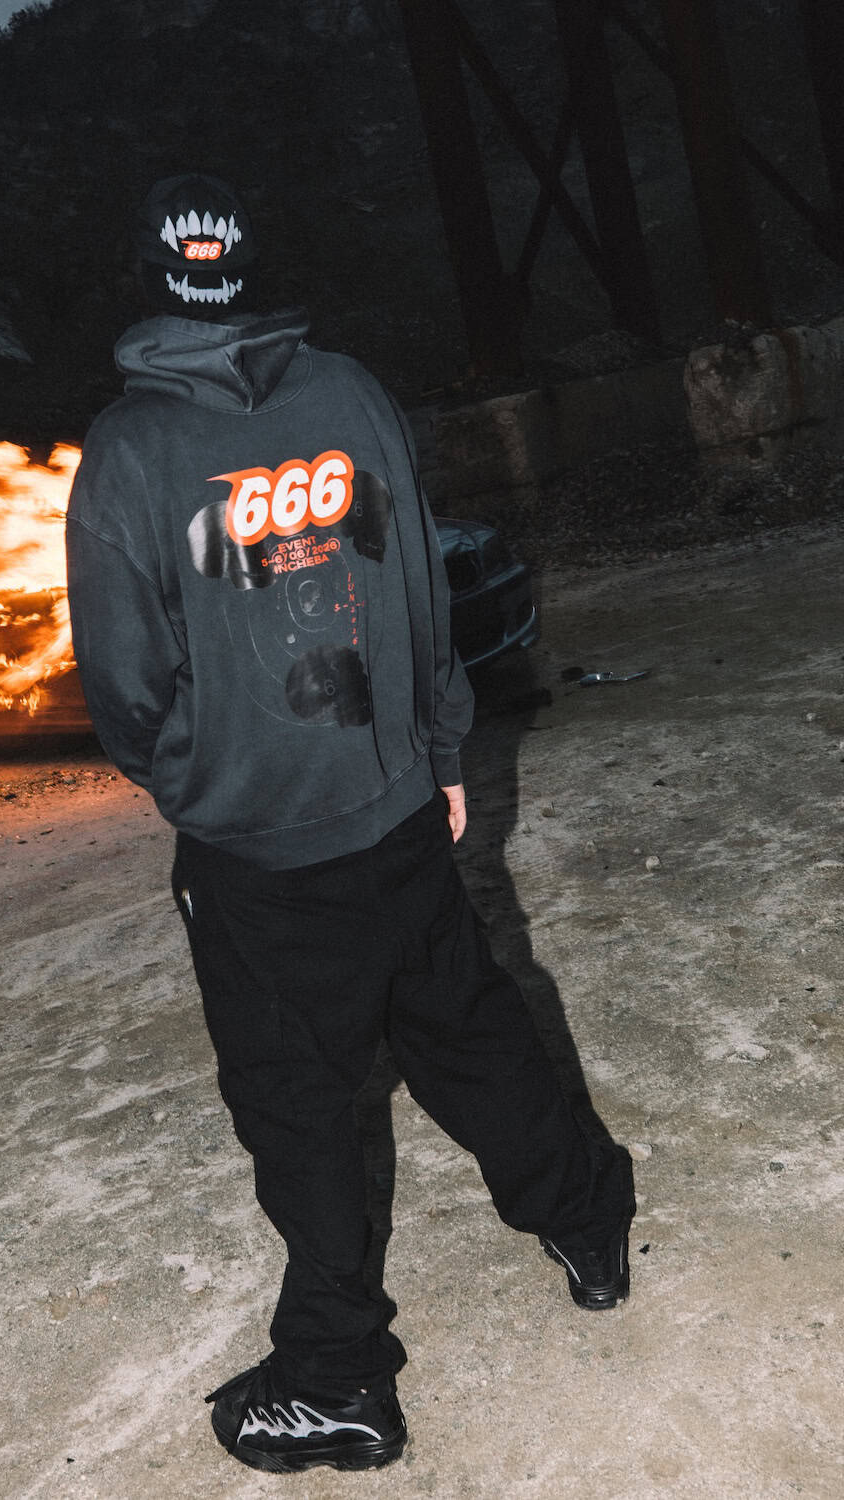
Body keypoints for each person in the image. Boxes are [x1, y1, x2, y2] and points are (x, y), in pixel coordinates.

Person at [65, 173, 635, 1475]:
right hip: (392, 806)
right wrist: (437, 751)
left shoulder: (128, 452)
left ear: (148, 281)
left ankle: (336, 1380)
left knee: (300, 1104)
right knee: (466, 1022)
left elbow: (123, 681)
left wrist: (198, 779)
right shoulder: (353, 396)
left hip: (261, 855)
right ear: (252, 268)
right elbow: (422, 597)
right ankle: (588, 1222)